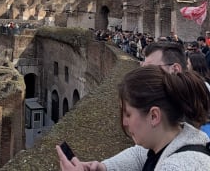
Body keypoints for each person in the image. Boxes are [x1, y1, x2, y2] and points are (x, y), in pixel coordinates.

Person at [56, 66, 210, 170]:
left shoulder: (177, 166)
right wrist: (103, 167)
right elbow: (138, 155)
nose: (124, 122)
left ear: (154, 116)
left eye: (128, 114)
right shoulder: (176, 136)